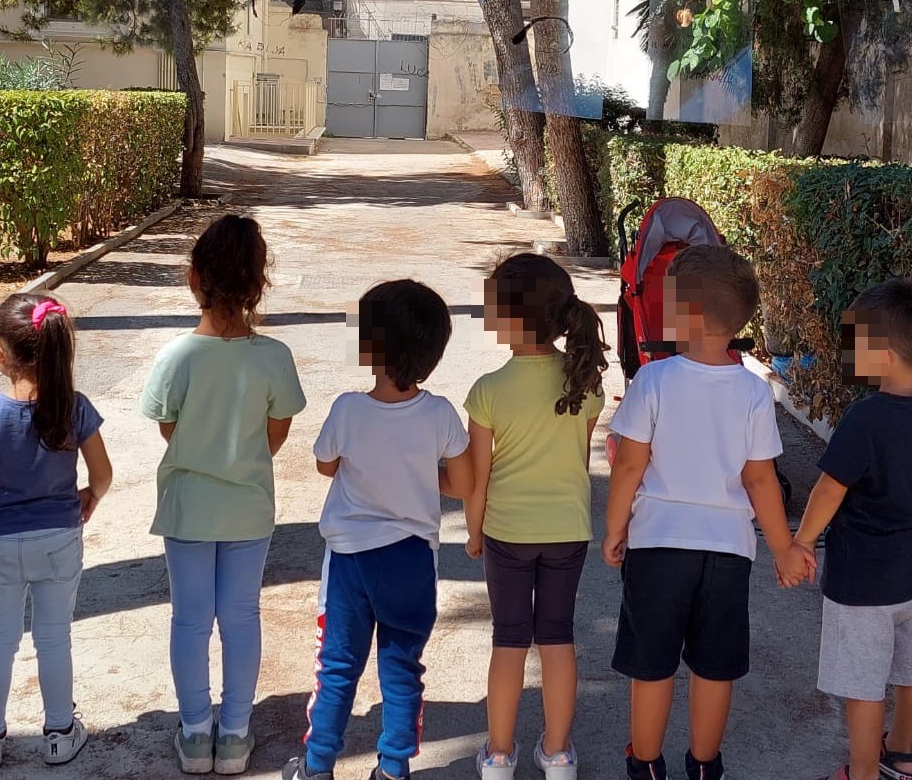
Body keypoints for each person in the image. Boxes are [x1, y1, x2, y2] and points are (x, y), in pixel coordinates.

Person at [604, 245, 810, 780]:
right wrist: (784, 548)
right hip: (727, 551)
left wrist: (614, 527)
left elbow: (628, 466)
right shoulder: (753, 392)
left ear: (685, 315)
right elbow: (760, 479)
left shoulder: (653, 380)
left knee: (652, 666)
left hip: (658, 544)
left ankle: (646, 765)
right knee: (715, 667)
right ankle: (703, 766)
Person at [284, 279, 473, 780]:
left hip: (350, 559)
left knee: (338, 665)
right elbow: (463, 483)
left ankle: (316, 764)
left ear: (372, 347)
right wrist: (419, 475)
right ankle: (392, 767)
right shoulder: (440, 413)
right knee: (402, 666)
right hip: (412, 559)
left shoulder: (347, 409)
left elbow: (325, 465)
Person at [140, 214, 308, 775]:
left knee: (190, 619)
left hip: (188, 506)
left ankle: (194, 732)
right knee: (241, 616)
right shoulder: (273, 356)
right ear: (259, 283)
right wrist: (243, 456)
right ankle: (234, 733)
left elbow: (168, 425)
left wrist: (204, 452)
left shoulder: (175, 356)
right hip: (248, 507)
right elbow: (278, 428)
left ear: (194, 278)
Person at [780, 280, 912, 780]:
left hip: (860, 582)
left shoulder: (864, 417)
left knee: (864, 686)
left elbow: (829, 490)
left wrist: (802, 540)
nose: (850, 353)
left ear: (885, 354)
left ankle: (862, 772)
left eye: (856, 343)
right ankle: (901, 754)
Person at [0, 293, 112, 770]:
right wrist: (90, 497)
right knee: (54, 637)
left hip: (0, 540)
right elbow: (102, 474)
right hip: (59, 538)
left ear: (0, 354)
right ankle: (59, 732)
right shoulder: (74, 408)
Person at [464, 255, 608, 780]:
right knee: (557, 637)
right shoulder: (585, 383)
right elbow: (578, 459)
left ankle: (499, 756)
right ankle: (558, 753)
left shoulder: (488, 390)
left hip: (507, 531)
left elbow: (477, 480)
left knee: (508, 639)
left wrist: (473, 534)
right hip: (567, 530)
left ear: (511, 317)